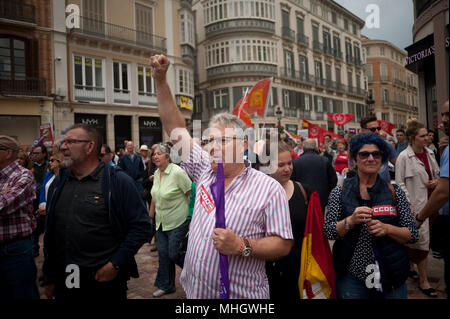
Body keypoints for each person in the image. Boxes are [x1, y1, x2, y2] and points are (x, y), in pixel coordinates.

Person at [150, 54, 293, 298]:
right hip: (195, 293)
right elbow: (175, 128)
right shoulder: (204, 170)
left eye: (223, 141)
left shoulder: (268, 189)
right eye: (209, 141)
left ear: (244, 145)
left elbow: (283, 244)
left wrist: (242, 246)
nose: (212, 147)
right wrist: (160, 80)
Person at [42, 124, 151, 300]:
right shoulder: (60, 181)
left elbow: (141, 227)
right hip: (66, 276)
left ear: (90, 146)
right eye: (64, 142)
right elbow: (52, 230)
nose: (63, 146)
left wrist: (115, 264)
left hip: (103, 279)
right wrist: (49, 275)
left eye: (71, 141)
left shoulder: (118, 182)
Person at [324, 133, 419, 299]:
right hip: (353, 276)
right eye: (364, 154)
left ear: (382, 159)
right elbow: (329, 231)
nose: (370, 158)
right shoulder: (340, 191)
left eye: (376, 154)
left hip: (391, 274)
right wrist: (350, 221)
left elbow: (412, 234)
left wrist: (388, 228)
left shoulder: (394, 191)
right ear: (354, 158)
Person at [395, 119, 439, 297]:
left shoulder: (430, 153)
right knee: (420, 243)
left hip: (431, 203)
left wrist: (436, 182)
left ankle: (413, 269)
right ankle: (423, 280)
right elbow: (399, 184)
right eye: (422, 136)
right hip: (414, 206)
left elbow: (437, 174)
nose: (426, 138)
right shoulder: (404, 157)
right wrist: (408, 206)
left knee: (422, 241)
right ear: (413, 138)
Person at [262, 141, 309, 299]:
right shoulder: (257, 194)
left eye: (289, 163)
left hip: (298, 269)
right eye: (280, 164)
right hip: (265, 271)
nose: (287, 168)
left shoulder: (303, 191)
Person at [415, 100, 449, 298]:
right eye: (443, 115)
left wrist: (420, 217)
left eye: (448, 115)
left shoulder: (438, 151)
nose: (443, 120)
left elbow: (444, 191)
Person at [149, 143, 192, 297]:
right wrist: (151, 214)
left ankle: (196, 277)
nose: (155, 156)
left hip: (178, 220)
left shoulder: (177, 172)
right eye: (154, 154)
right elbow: (155, 195)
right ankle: (166, 285)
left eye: (159, 153)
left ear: (168, 156)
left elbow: (190, 193)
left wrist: (193, 217)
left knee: (174, 253)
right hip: (161, 221)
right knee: (163, 254)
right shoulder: (157, 173)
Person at [0, 135, 39, 299]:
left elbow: (3, 206)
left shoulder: (24, 175)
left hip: (15, 250)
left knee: (22, 294)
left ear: (8, 153)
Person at [291, 138, 337, 212]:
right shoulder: (324, 160)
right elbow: (333, 179)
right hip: (321, 198)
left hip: (302, 199)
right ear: (316, 147)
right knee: (319, 221)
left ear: (303, 148)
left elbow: (292, 181)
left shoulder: (296, 162)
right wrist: (327, 192)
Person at [348, 115, 397, 184]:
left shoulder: (387, 145)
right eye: (373, 129)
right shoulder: (355, 146)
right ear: (362, 130)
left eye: (378, 128)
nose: (377, 131)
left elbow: (398, 165)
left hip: (384, 189)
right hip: (361, 189)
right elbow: (351, 167)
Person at [30, 144, 49, 257]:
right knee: (34, 226)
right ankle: (34, 248)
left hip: (45, 201)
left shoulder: (49, 165)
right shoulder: (30, 166)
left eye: (37, 153)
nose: (35, 155)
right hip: (33, 200)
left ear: (44, 154)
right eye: (34, 153)